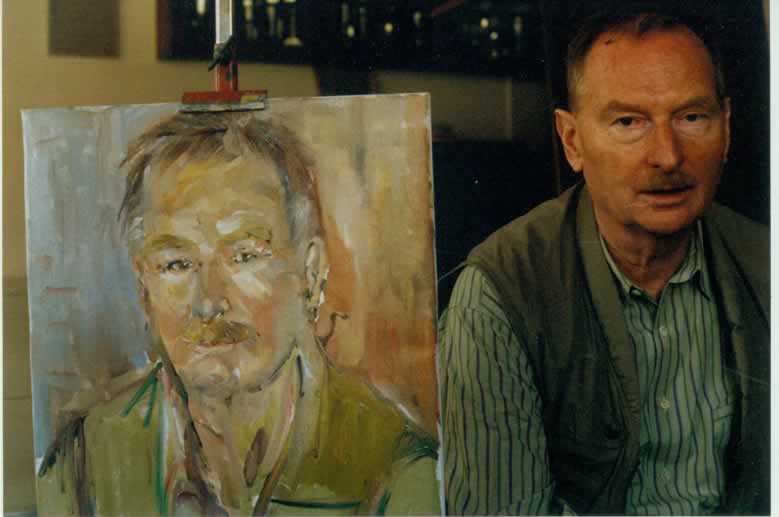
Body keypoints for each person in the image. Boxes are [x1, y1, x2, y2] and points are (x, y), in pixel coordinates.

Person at [439, 5, 769, 515]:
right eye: (629, 122)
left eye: (691, 117)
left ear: (726, 128)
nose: (667, 156)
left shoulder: (764, 263)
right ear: (572, 141)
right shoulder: (499, 295)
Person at [37, 113, 440, 516]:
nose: (209, 301)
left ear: (311, 272)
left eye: (244, 256)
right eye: (176, 263)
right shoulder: (84, 464)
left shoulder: (396, 470)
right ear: (145, 289)